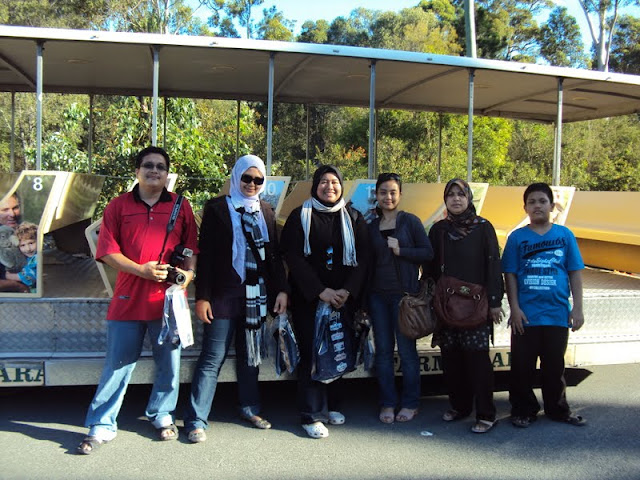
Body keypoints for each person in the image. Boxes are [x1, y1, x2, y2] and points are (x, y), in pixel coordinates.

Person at [77, 146, 198, 454]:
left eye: (160, 166)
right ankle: (102, 424)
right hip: (128, 298)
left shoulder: (181, 205)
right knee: (117, 365)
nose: (154, 170)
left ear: (167, 174)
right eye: (148, 165)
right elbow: (107, 251)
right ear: (137, 171)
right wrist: (141, 270)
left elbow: (191, 249)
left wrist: (188, 275)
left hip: (168, 302)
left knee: (169, 364)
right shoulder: (118, 206)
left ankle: (162, 414)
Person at [184, 155, 288, 444]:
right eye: (246, 178)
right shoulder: (218, 208)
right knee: (212, 357)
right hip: (223, 293)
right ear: (236, 177)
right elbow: (206, 256)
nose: (252, 184)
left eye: (258, 180)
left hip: (256, 296)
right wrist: (202, 297)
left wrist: (282, 290)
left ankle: (249, 408)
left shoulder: (266, 211)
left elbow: (274, 257)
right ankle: (196, 419)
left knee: (250, 355)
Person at [280, 165, 369, 439]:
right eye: (323, 182)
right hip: (310, 299)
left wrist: (347, 291)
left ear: (342, 186)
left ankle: (334, 405)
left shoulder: (353, 217)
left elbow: (364, 258)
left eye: (334, 182)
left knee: (339, 349)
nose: (329, 187)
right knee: (313, 353)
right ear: (315, 186)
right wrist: (321, 291)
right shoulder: (300, 216)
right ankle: (312, 414)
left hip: (343, 299)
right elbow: (293, 256)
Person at [502, 182, 586, 428]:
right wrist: (515, 308)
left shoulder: (564, 235)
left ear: (551, 206)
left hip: (557, 314)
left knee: (554, 367)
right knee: (522, 368)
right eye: (531, 202)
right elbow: (510, 275)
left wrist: (577, 308)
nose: (537, 206)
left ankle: (557, 410)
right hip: (526, 316)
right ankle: (523, 410)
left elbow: (575, 272)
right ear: (525, 208)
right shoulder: (517, 238)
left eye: (542, 201)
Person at [425, 178, 503, 434]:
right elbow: (430, 268)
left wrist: (495, 302)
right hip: (446, 305)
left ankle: (486, 414)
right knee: (451, 359)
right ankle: (460, 407)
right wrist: (428, 298)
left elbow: (493, 264)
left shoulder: (483, 227)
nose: (456, 199)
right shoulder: (439, 230)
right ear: (445, 200)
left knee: (478, 361)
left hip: (476, 306)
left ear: (469, 198)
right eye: (451, 194)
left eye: (461, 194)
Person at [366, 173, 433, 424]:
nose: (388, 197)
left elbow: (427, 253)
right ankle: (387, 402)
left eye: (393, 192)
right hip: (378, 297)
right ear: (376, 195)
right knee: (383, 352)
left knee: (406, 352)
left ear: (400, 194)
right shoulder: (371, 226)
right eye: (383, 192)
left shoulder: (410, 222)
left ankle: (411, 403)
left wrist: (401, 250)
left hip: (404, 298)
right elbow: (367, 264)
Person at [0, 193, 29, 293]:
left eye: (15, 208)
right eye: (5, 210)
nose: (12, 214)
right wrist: (18, 287)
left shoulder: (23, 230)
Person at [5, 222, 38, 292]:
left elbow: (29, 277)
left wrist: (7, 276)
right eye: (22, 245)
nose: (28, 249)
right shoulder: (27, 257)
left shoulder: (36, 258)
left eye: (31, 243)